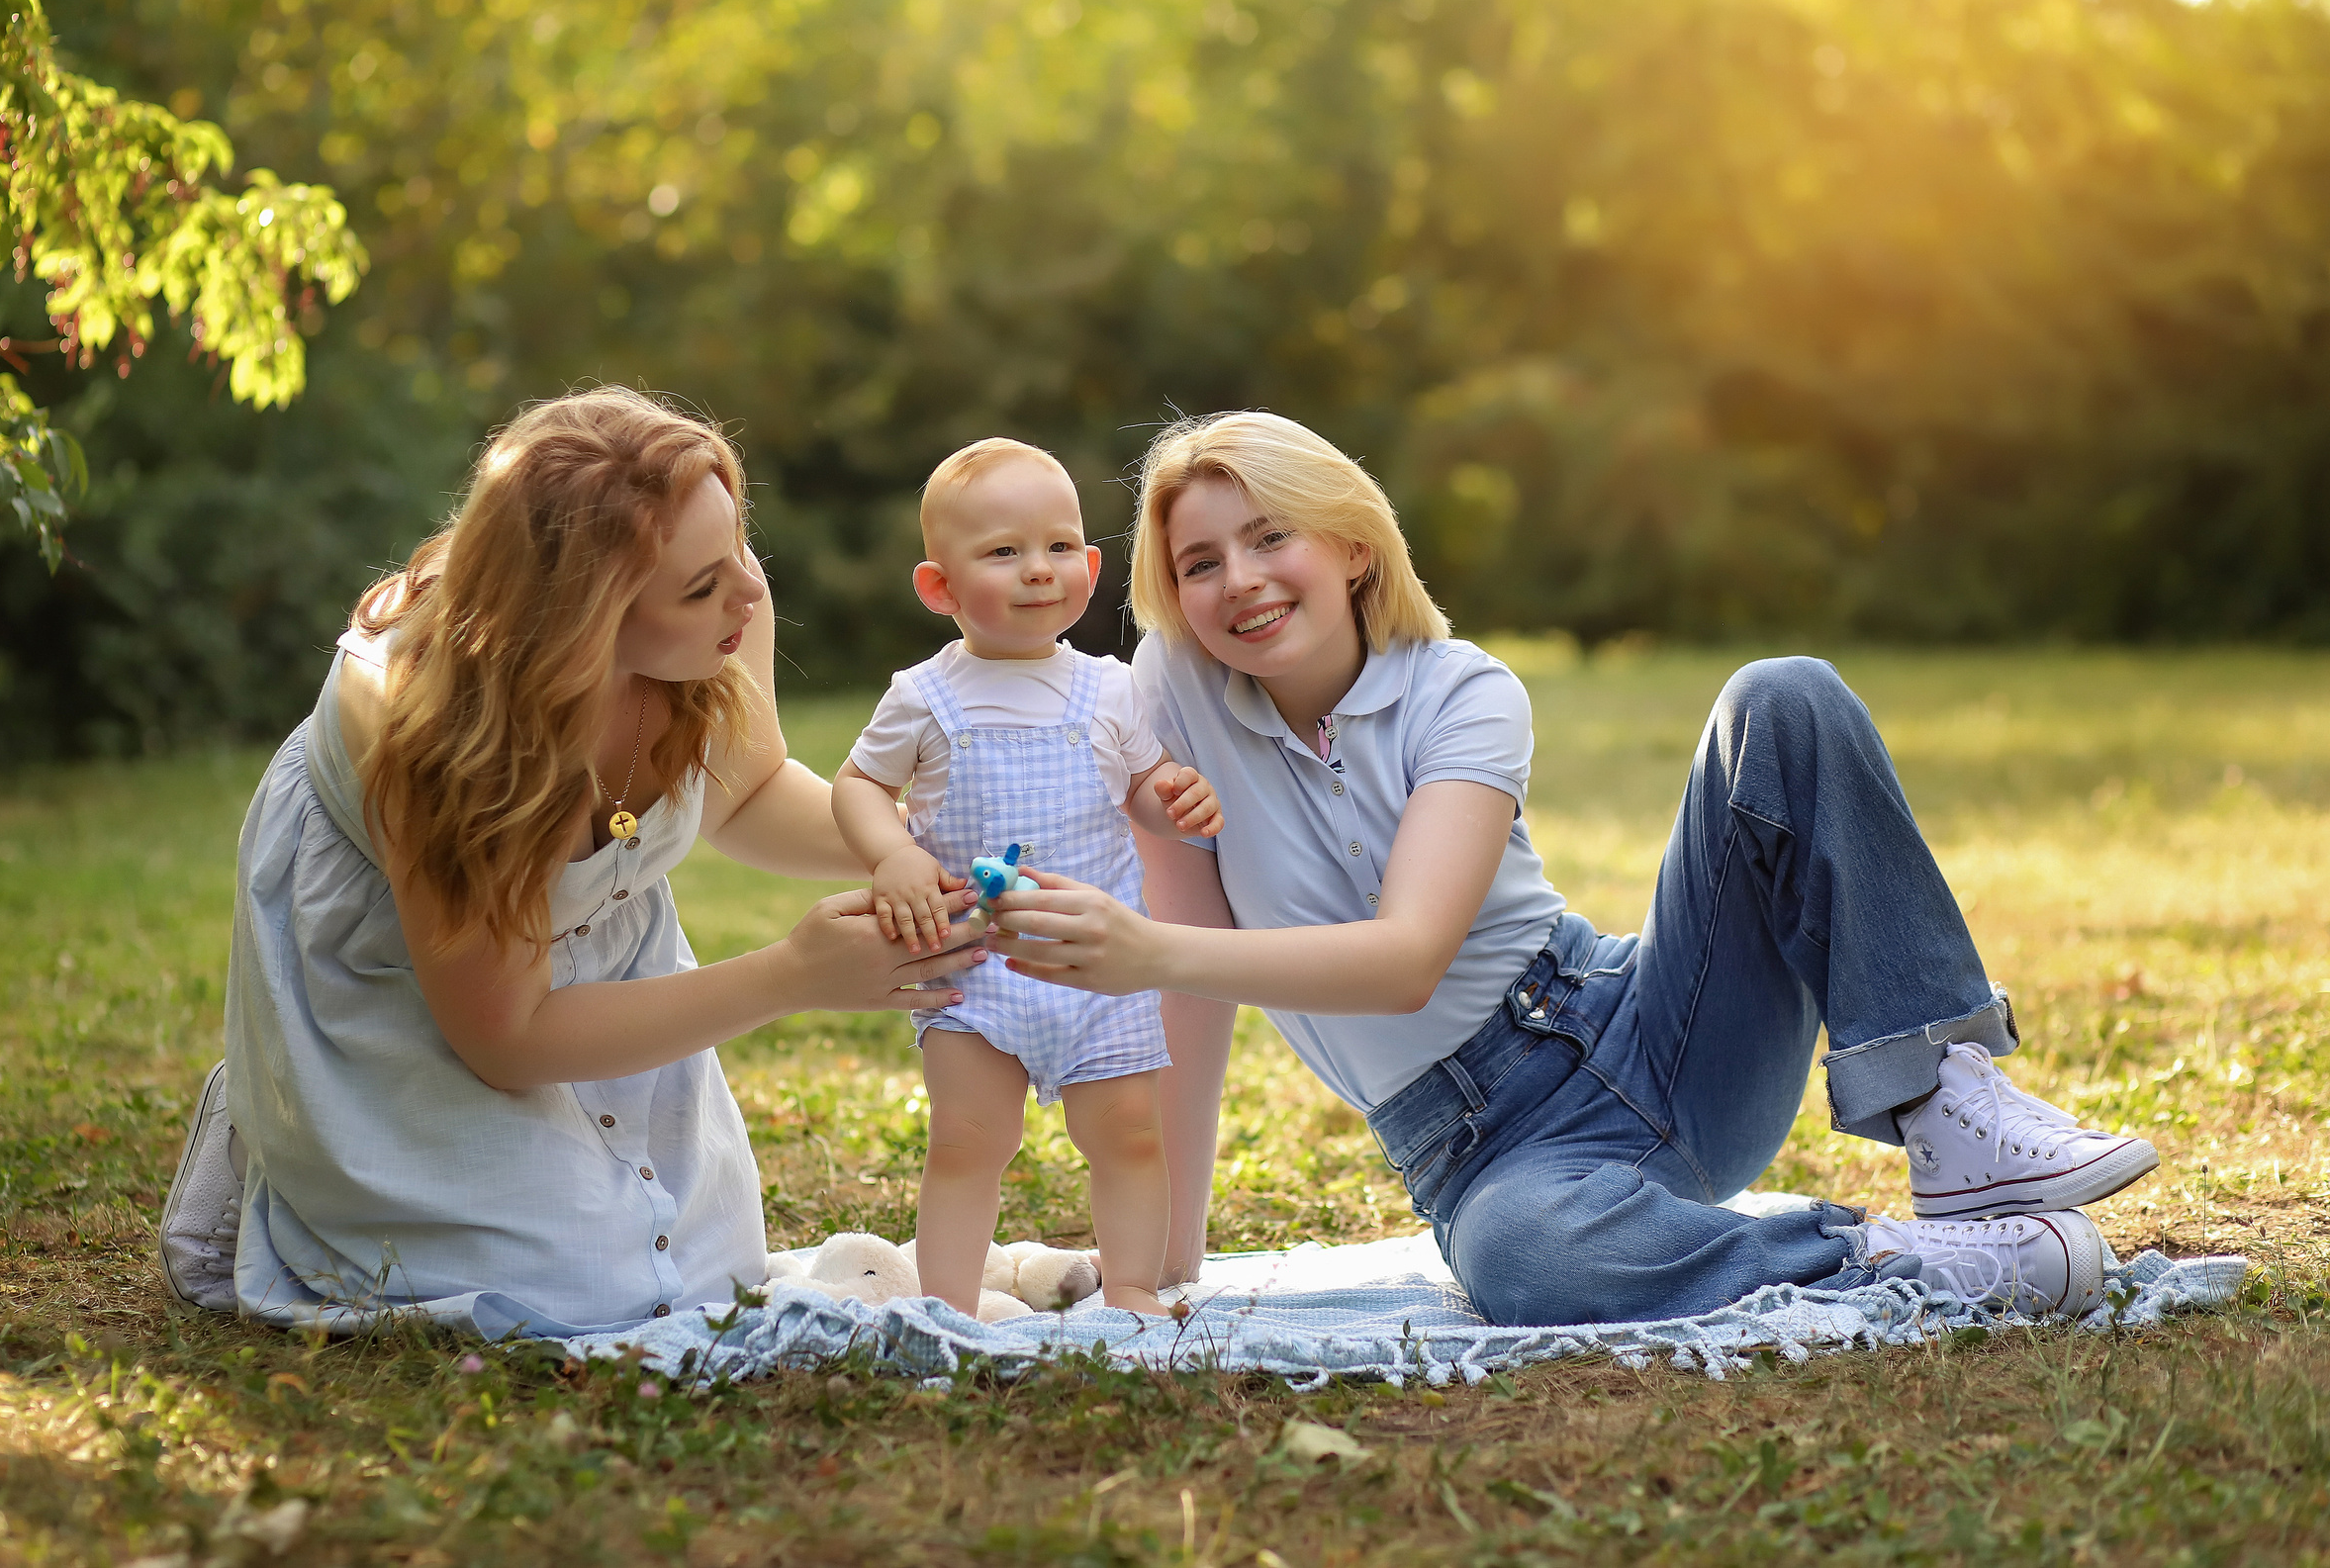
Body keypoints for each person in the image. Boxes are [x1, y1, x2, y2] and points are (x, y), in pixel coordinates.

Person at [982, 412, 2161, 1326]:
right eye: (1198, 562)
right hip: (1484, 1153)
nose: (1237, 580)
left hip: (1651, 1028)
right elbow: (1192, 988)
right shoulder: (1168, 703)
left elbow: (1404, 960)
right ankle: (1904, 1258)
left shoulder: (1464, 691)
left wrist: (1139, 945)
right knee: (1520, 1261)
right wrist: (1167, 1256)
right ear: (1168, 592)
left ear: (1349, 545)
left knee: (1781, 697)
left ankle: (1943, 1105)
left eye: (1269, 535)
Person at [156, 389, 980, 1335]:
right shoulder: (441, 731)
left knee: (703, 1275)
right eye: (703, 585)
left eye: (738, 550)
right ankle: (296, 1108)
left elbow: (744, 794)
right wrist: (791, 975)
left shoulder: (724, 601)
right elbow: (504, 1037)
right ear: (585, 621)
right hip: (427, 990)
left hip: (590, 975)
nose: (751, 596)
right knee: (575, 1295)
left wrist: (924, 842)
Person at [831, 438, 1223, 1316]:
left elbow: (1143, 791)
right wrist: (893, 851)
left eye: (1057, 548)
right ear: (941, 588)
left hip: (1097, 964)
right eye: (1004, 552)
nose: (1037, 570)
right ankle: (950, 1305)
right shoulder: (925, 696)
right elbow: (858, 784)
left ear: (1089, 567)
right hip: (975, 966)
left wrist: (1175, 797)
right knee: (968, 1137)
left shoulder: (1109, 689)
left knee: (1128, 1132)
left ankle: (1128, 1283)